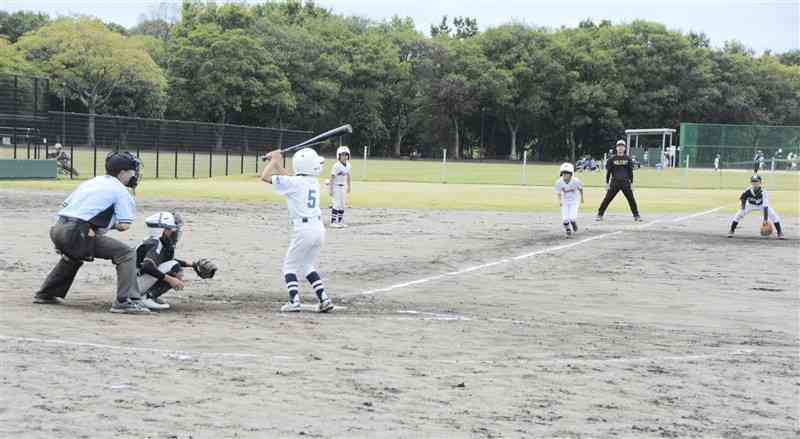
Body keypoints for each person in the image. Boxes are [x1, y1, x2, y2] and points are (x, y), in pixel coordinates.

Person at [33, 151, 148, 314]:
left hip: (57, 229)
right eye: (132, 171)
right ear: (122, 173)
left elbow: (68, 206)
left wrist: (77, 234)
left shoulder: (93, 181)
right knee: (126, 253)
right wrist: (103, 227)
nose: (134, 175)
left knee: (74, 254)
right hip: (76, 232)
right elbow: (124, 225)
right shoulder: (121, 191)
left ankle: (46, 293)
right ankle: (125, 301)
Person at [261, 148, 334, 313]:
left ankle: (294, 301)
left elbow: (264, 177)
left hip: (304, 229)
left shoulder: (294, 183)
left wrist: (273, 161)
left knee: (289, 267)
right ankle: (324, 299)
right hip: (318, 229)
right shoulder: (311, 182)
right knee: (307, 265)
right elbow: (290, 178)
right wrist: (277, 161)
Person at [136, 212, 191, 310]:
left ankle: (148, 296)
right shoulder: (155, 243)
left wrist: (192, 265)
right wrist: (170, 279)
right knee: (175, 268)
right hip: (134, 286)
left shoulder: (153, 240)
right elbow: (147, 266)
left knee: (173, 265)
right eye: (169, 229)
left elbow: (164, 261)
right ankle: (147, 297)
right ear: (162, 230)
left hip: (131, 284)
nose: (173, 232)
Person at [596, 140, 642, 222]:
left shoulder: (628, 159)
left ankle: (636, 215)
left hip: (625, 182)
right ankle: (600, 214)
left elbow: (630, 172)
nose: (620, 148)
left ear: (624, 148)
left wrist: (632, 183)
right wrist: (607, 183)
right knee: (607, 199)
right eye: (619, 146)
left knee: (631, 199)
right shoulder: (612, 159)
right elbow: (608, 172)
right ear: (616, 148)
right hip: (614, 182)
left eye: (622, 146)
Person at [728, 175, 784, 239]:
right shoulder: (748, 190)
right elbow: (743, 198)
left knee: (773, 215)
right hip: (750, 205)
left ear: (760, 182)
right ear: (751, 183)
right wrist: (743, 208)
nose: (755, 183)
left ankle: (779, 232)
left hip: (761, 205)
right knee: (738, 214)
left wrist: (765, 220)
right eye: (753, 181)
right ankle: (732, 230)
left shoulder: (763, 191)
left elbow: (765, 206)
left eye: (756, 181)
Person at [554, 163, 583, 237]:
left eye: (567, 173)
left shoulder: (576, 181)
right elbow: (558, 192)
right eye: (563, 173)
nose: (565, 175)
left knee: (572, 218)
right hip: (565, 201)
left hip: (575, 200)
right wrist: (560, 201)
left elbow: (580, 189)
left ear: (571, 174)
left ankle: (573, 223)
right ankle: (568, 230)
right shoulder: (559, 182)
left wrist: (582, 198)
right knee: (565, 219)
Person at [329, 146, 352, 228]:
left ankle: (340, 221)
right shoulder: (336, 166)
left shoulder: (349, 165)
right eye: (342, 155)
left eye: (346, 155)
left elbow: (349, 176)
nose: (344, 156)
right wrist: (330, 189)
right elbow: (332, 178)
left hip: (343, 186)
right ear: (338, 156)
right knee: (336, 204)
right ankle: (333, 221)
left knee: (342, 204)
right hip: (336, 186)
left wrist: (349, 186)